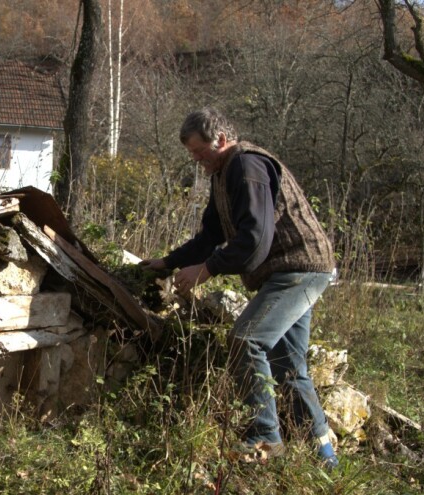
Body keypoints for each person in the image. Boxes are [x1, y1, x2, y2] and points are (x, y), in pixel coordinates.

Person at [142, 108, 339, 468]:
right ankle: (324, 455)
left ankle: (264, 440)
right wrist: (168, 262)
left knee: (246, 339)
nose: (198, 161)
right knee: (288, 365)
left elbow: (254, 240)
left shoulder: (246, 167)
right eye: (192, 155)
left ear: (220, 138)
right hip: (290, 271)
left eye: (201, 152)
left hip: (298, 269)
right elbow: (211, 236)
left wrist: (207, 271)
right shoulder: (222, 173)